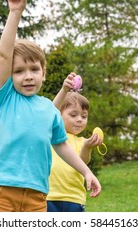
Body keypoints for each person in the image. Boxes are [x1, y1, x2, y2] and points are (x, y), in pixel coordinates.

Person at [0, 0, 101, 212]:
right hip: (2, 190)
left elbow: (61, 144)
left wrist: (86, 171)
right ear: (10, 74)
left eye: (34, 69)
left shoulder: (49, 109)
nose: (27, 76)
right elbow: (5, 54)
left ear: (43, 72)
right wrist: (15, 12)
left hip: (37, 195)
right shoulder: (6, 97)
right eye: (18, 71)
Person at [47, 73, 102, 212]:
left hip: (74, 198)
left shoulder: (82, 141)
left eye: (84, 116)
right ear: (59, 115)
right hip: (49, 196)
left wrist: (87, 147)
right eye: (73, 115)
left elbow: (82, 163)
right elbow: (50, 112)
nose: (79, 119)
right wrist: (64, 90)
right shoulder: (50, 134)